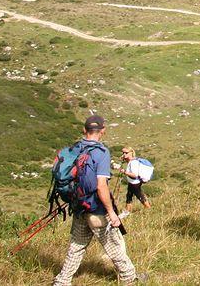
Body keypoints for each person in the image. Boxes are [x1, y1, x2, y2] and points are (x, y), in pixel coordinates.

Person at [53, 115, 143, 286]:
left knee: (76, 247)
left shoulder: (76, 148)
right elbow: (101, 186)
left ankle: (62, 281)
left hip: (79, 206)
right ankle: (129, 278)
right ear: (103, 131)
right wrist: (111, 213)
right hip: (96, 209)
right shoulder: (101, 153)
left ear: (84, 130)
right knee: (114, 245)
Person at [118, 147, 151, 214]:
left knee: (139, 196)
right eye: (123, 152)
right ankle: (127, 211)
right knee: (129, 196)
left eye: (126, 153)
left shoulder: (133, 162)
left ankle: (148, 209)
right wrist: (124, 160)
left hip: (134, 182)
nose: (124, 154)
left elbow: (134, 175)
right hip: (132, 182)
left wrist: (124, 172)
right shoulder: (131, 160)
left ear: (131, 153)